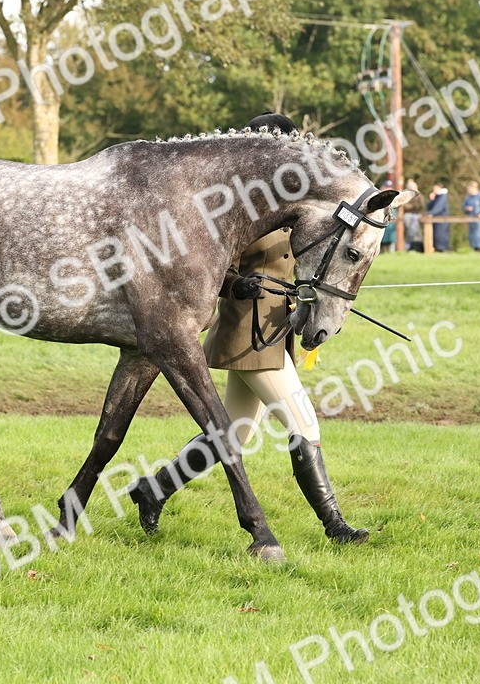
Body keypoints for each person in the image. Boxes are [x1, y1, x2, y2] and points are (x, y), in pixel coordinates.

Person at [127, 112, 369, 546]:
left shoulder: (297, 210)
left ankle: (153, 490)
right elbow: (206, 271)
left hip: (276, 335)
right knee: (304, 423)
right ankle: (335, 527)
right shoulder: (238, 208)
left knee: (235, 432)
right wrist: (239, 282)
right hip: (248, 333)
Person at [462, 181, 480, 251]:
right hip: (471, 219)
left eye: (470, 189)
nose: (469, 191)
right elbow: (463, 208)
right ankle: (474, 248)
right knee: (472, 235)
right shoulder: (467, 198)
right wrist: (467, 209)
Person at [427, 183, 451, 251]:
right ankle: (438, 248)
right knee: (437, 235)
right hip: (437, 219)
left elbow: (438, 208)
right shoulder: (437, 196)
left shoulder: (442, 196)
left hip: (442, 219)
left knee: (441, 235)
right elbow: (429, 207)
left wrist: (430, 213)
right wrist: (431, 199)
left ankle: (442, 249)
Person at [403, 178, 424, 252]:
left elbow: (420, 206)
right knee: (409, 231)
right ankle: (408, 246)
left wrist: (410, 206)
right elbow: (404, 206)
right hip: (407, 215)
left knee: (415, 232)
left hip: (416, 215)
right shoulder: (405, 195)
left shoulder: (419, 195)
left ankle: (416, 246)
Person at [379, 180, 397, 253]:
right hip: (382, 219)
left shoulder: (394, 197)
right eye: (387, 187)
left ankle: (391, 252)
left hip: (391, 219)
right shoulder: (380, 196)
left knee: (391, 237)